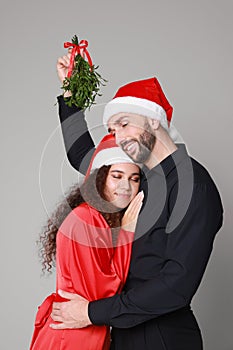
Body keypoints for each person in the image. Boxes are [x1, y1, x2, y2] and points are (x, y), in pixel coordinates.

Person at [50, 53, 224, 350]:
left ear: (154, 120)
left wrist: (90, 313)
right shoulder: (139, 178)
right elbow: (83, 157)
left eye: (124, 124)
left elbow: (176, 285)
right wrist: (72, 90)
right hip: (122, 333)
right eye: (113, 130)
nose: (117, 137)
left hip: (162, 338)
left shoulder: (194, 185)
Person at [30, 134, 144, 350]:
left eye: (134, 179)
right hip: (72, 335)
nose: (126, 187)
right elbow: (102, 293)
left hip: (88, 331)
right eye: (117, 176)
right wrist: (127, 231)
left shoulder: (102, 220)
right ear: (100, 178)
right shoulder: (85, 219)